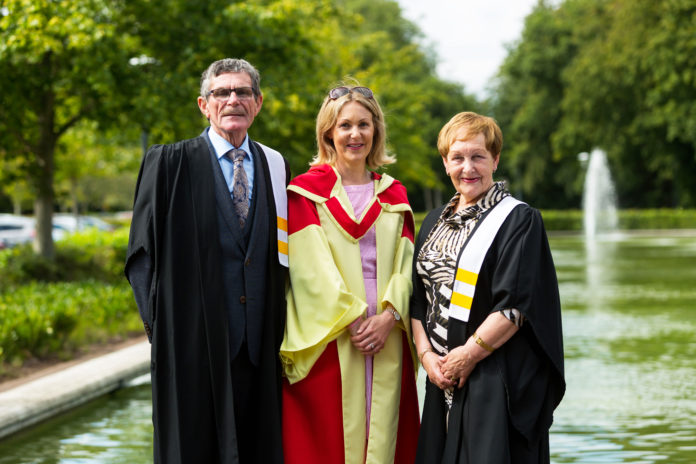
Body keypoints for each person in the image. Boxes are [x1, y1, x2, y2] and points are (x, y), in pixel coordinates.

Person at [125, 58, 289, 464]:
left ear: (258, 102)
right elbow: (141, 257)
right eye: (222, 93)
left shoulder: (275, 165)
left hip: (260, 345)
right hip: (192, 346)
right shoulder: (168, 164)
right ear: (204, 104)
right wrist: (165, 331)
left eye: (243, 92)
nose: (233, 100)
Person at [411, 111, 565, 463]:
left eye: (478, 156)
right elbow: (416, 300)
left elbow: (515, 306)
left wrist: (467, 356)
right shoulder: (434, 221)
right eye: (458, 158)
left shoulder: (518, 220)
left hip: (493, 377)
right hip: (440, 378)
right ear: (445, 163)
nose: (468, 168)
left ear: (495, 159)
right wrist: (427, 359)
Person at [279, 85, 420, 464]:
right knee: (328, 441)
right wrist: (357, 318)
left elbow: (407, 266)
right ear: (329, 132)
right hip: (333, 333)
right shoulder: (304, 193)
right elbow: (309, 269)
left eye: (364, 124)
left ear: (376, 130)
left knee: (386, 432)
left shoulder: (395, 195)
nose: (354, 134)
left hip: (386, 334)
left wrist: (389, 316)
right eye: (344, 126)